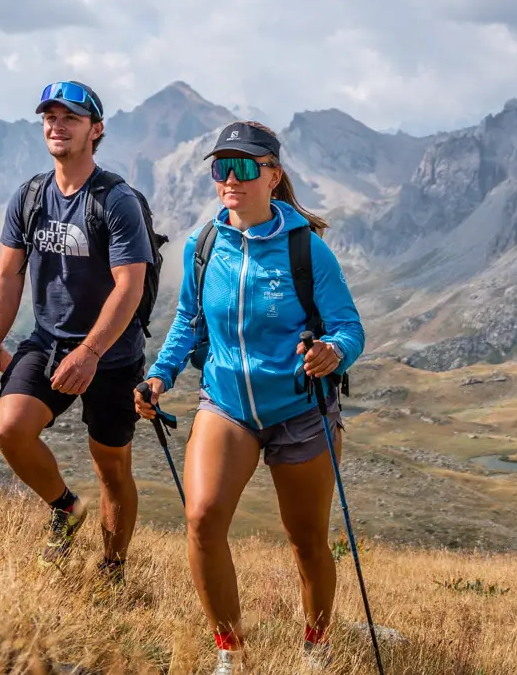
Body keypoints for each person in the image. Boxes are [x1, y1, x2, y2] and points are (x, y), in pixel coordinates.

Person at [136, 121, 365, 674]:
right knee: (203, 519)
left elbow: (349, 327)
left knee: (307, 540)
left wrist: (332, 351)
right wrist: (160, 375)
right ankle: (230, 654)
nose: (230, 178)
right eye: (221, 167)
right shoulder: (204, 244)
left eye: (244, 166)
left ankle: (316, 645)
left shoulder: (306, 249)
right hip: (227, 405)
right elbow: (189, 320)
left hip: (300, 410)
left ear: (274, 175)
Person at [0, 81, 154, 573]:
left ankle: (112, 568)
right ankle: (64, 508)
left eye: (71, 118)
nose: (57, 125)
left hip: (111, 354)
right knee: (10, 428)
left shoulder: (115, 200)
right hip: (49, 342)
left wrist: (92, 352)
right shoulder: (31, 195)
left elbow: (129, 287)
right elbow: (9, 274)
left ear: (95, 130)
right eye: (50, 117)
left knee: (112, 468)